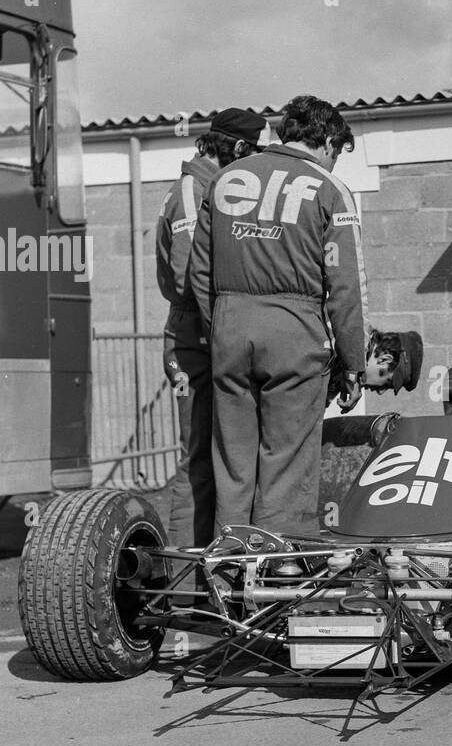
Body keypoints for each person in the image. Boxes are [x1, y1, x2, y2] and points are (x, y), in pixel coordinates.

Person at [189, 95, 368, 542]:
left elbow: (198, 272)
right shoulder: (328, 189)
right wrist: (353, 361)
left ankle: (227, 574)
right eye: (336, 152)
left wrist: (220, 331)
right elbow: (346, 288)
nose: (334, 163)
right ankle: (277, 574)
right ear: (327, 140)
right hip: (294, 334)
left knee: (233, 467)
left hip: (229, 332)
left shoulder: (226, 179)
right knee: (285, 465)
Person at [155, 107, 267, 545]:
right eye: (254, 154)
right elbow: (188, 276)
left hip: (215, 331)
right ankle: (185, 593)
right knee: (198, 460)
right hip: (194, 337)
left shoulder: (216, 188)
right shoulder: (193, 191)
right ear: (238, 149)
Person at [326, 327, 423, 410]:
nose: (380, 392)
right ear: (385, 359)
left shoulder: (344, 378)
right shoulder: (339, 335)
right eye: (386, 383)